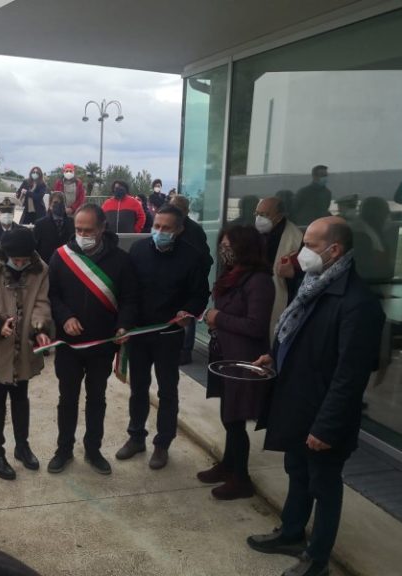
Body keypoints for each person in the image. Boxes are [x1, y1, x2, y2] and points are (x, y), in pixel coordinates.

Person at [247, 217, 384, 576]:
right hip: (296, 403)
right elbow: (298, 336)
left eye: (308, 244)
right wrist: (275, 357)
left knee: (324, 484)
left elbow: (349, 377)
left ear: (334, 250)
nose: (299, 252)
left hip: (324, 414)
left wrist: (325, 428)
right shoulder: (312, 285)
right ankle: (292, 532)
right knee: (297, 471)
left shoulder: (356, 304)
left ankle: (317, 559)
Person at [116, 205, 210, 469]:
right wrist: (125, 325)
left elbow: (200, 294)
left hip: (169, 335)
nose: (159, 232)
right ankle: (136, 437)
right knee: (138, 388)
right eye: (156, 226)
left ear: (179, 230)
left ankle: (162, 443)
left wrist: (189, 311)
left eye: (166, 228)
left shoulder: (192, 257)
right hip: (139, 333)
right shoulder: (138, 251)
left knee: (168, 390)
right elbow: (128, 292)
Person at [47, 204, 137, 475]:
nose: (82, 234)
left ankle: (93, 449)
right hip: (69, 345)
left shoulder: (121, 260)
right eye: (78, 229)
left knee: (96, 398)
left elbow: (130, 298)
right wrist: (64, 317)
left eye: (88, 230)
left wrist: (123, 326)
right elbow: (52, 295)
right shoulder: (61, 257)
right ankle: (63, 449)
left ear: (102, 229)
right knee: (68, 399)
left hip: (102, 344)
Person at [0, 227, 53, 481]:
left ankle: (22, 446)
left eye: (23, 261)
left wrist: (39, 328)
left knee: (21, 396)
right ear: (5, 255)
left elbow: (41, 303)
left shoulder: (40, 269)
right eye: (15, 260)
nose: (19, 264)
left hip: (24, 347)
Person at [198, 225, 274, 499]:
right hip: (225, 356)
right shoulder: (232, 276)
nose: (224, 252)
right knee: (228, 416)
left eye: (230, 247)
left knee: (235, 419)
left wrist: (218, 318)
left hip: (244, 360)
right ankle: (228, 465)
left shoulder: (259, 281)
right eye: (223, 246)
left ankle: (241, 478)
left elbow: (256, 325)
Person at [168, 194, 213, 365]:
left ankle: (186, 350)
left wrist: (195, 277)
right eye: (173, 207)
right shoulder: (167, 225)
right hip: (172, 279)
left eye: (179, 208)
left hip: (190, 280)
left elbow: (204, 258)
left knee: (187, 314)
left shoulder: (194, 230)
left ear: (186, 211)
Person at [254, 196, 304, 334]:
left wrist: (293, 274)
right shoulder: (254, 234)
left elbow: (306, 276)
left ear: (279, 216)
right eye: (257, 214)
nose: (259, 218)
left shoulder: (296, 239)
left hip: (281, 296)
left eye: (264, 214)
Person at [33, 191, 75, 263]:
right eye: (55, 203)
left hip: (66, 264)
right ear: (50, 205)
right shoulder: (40, 224)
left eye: (61, 203)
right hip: (46, 264)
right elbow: (35, 248)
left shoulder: (72, 223)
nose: (58, 205)